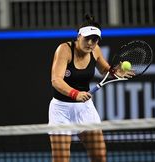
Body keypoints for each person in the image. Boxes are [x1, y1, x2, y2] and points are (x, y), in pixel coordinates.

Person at [48, 14, 135, 162]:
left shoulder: (95, 50)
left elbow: (105, 70)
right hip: (61, 110)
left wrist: (115, 72)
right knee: (61, 160)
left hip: (85, 109)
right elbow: (56, 80)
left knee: (99, 156)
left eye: (94, 40)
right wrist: (75, 93)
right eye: (87, 38)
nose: (90, 43)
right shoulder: (64, 49)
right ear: (79, 35)